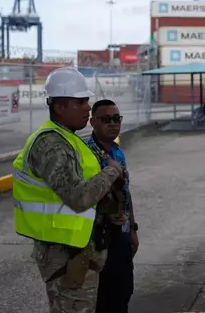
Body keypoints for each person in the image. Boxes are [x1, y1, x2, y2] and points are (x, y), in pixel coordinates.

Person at [12, 67, 127, 313]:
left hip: (76, 250)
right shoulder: (50, 143)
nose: (88, 107)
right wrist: (112, 171)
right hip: (64, 254)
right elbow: (78, 197)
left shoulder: (68, 139)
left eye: (86, 100)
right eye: (80, 101)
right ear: (59, 107)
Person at [86, 99, 139, 313]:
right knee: (104, 299)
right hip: (100, 238)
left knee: (124, 291)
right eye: (105, 119)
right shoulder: (86, 155)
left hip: (122, 234)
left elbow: (125, 193)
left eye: (116, 118)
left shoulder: (117, 152)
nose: (112, 123)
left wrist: (133, 229)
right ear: (93, 122)